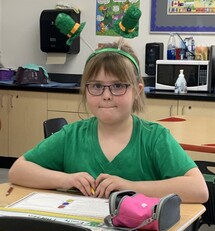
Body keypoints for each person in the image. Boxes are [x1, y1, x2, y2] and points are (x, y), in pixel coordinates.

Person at [9, 39, 208, 203]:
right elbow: (18, 170)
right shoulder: (72, 136)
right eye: (96, 86)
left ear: (137, 91)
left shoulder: (154, 138)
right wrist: (66, 179)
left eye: (118, 86)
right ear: (85, 90)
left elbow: (199, 190)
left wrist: (131, 187)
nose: (106, 95)